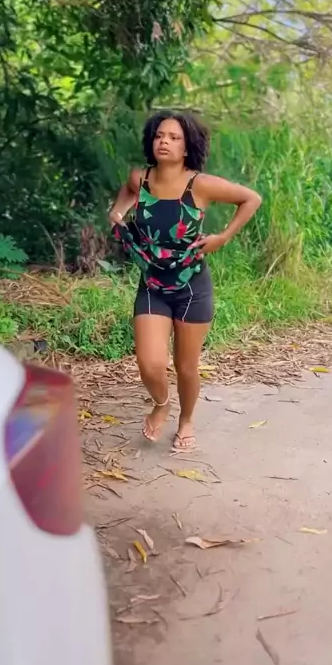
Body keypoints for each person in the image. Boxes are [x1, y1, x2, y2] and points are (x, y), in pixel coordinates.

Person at [109, 112, 261, 451]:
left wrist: (223, 237)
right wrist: (118, 212)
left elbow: (251, 198)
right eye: (159, 136)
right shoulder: (140, 179)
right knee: (149, 363)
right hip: (153, 285)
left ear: (187, 146)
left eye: (174, 137)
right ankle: (162, 404)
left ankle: (187, 420)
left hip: (193, 287)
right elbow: (127, 192)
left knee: (186, 367)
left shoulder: (200, 185)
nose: (164, 141)